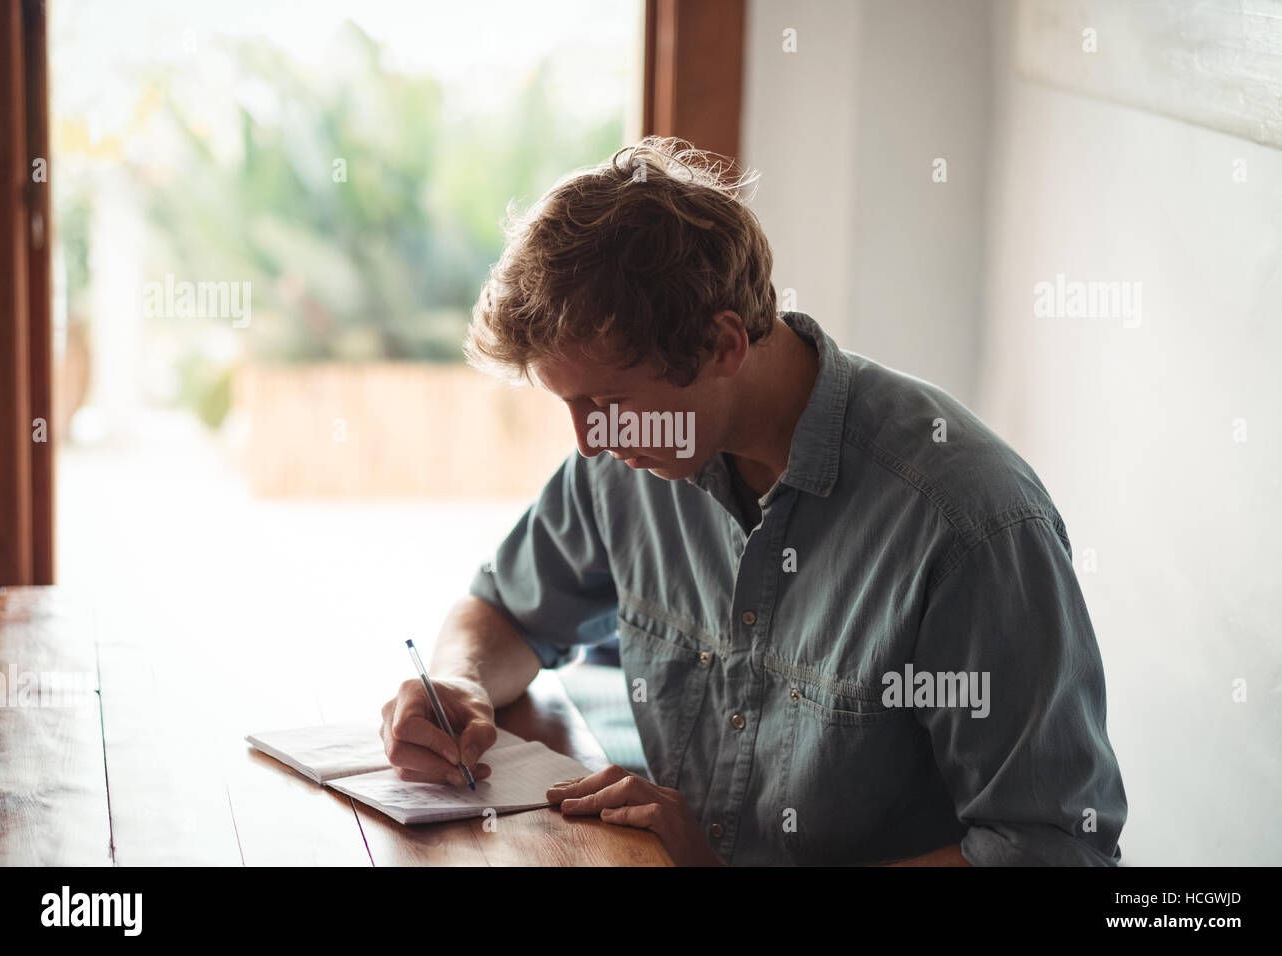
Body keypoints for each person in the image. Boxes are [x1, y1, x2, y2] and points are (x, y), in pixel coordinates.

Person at [379, 136, 1128, 866]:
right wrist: (459, 682)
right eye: (569, 406)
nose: (587, 442)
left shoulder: (969, 525)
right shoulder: (634, 459)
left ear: (723, 346)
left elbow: (1051, 847)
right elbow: (505, 608)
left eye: (606, 401)